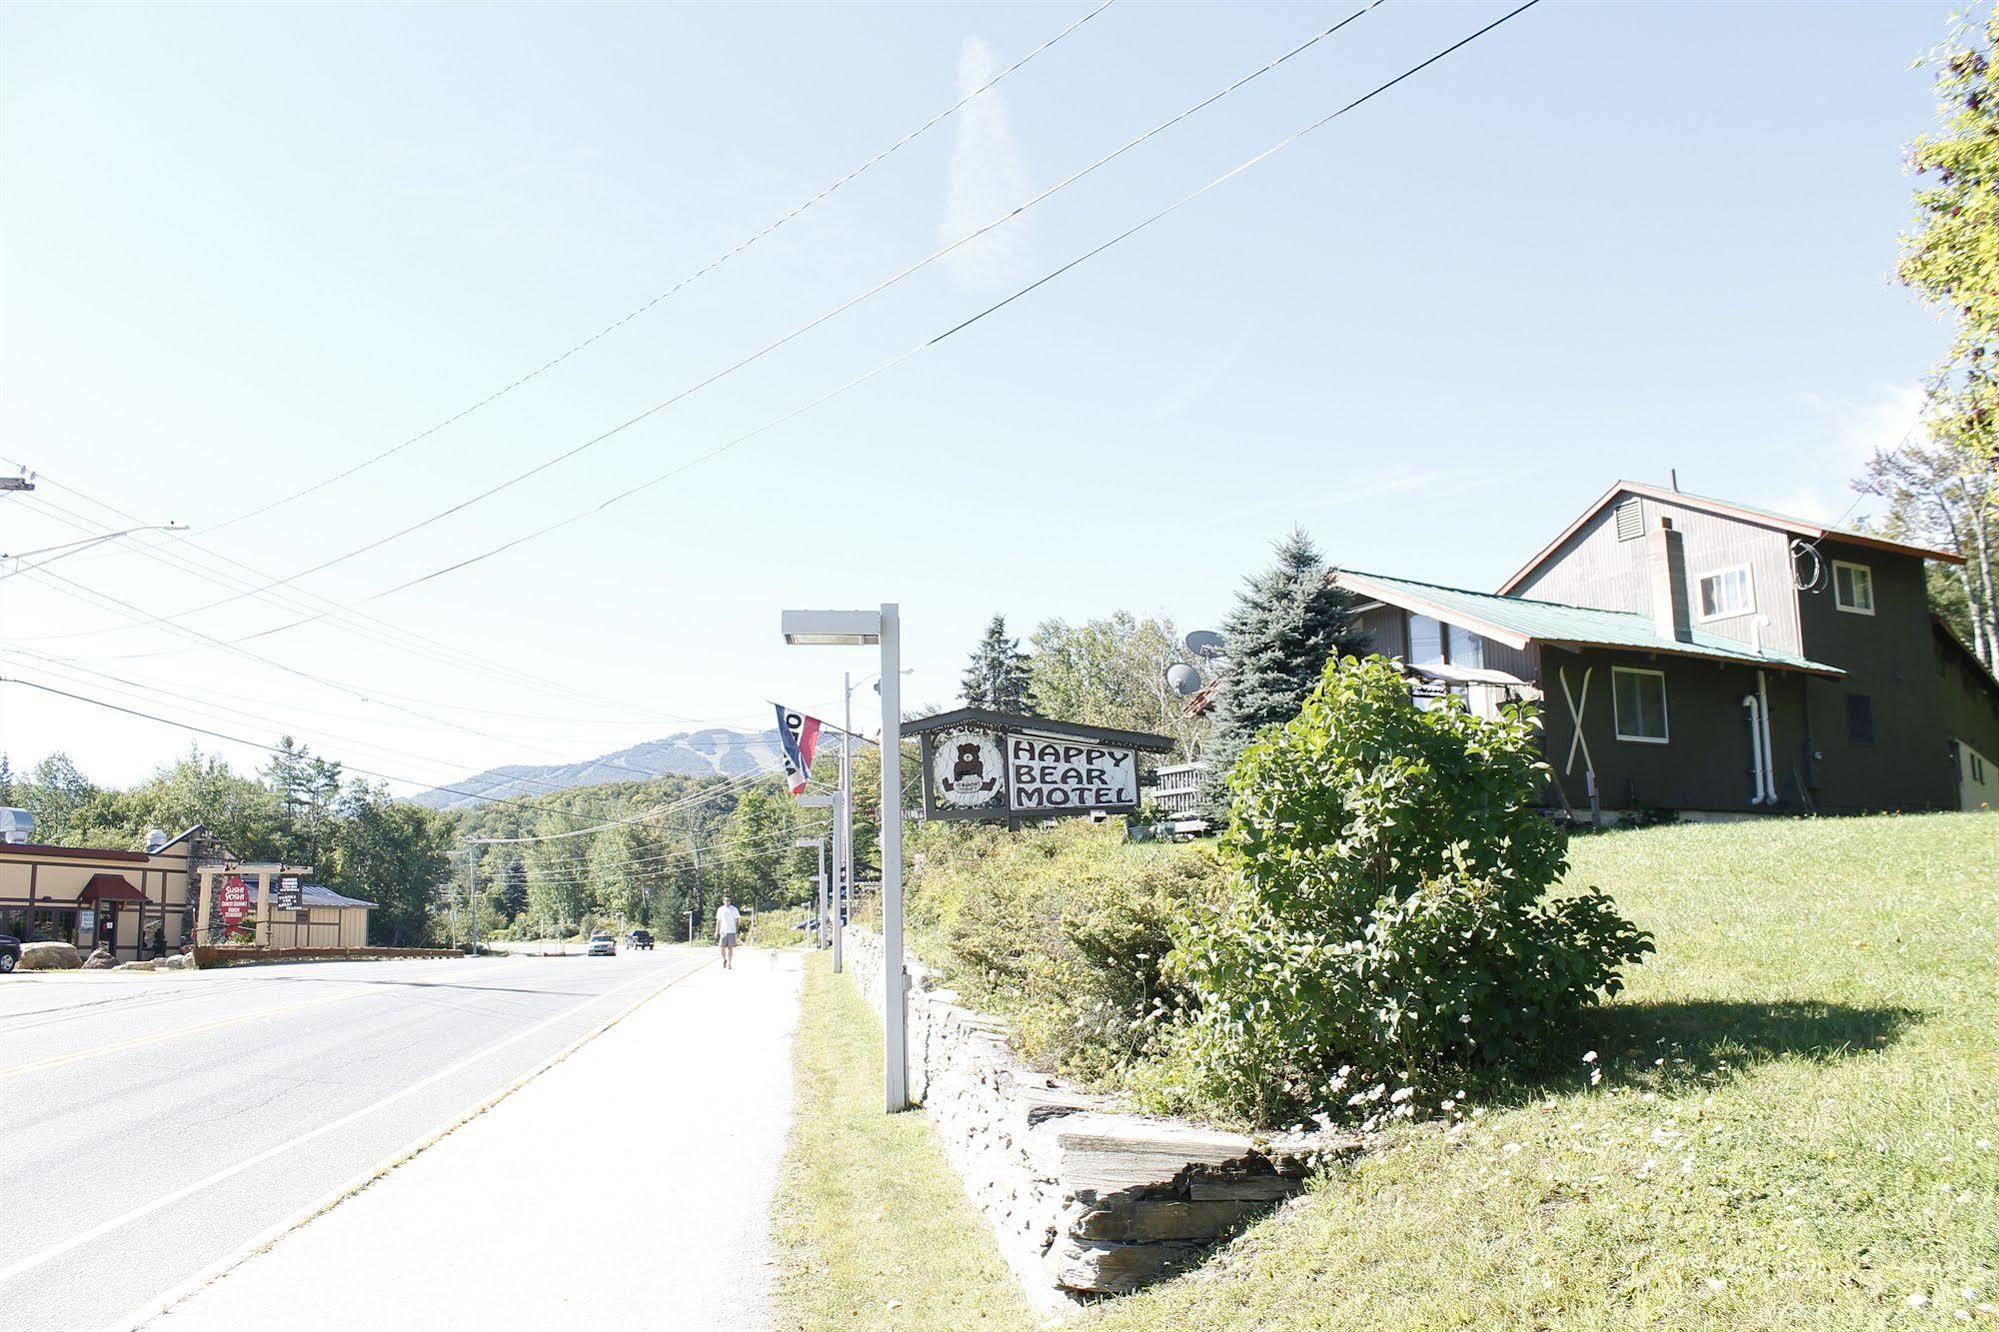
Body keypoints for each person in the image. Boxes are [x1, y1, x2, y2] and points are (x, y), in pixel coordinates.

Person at [716, 897, 741, 970]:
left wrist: (736, 930)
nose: (727, 902)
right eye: (726, 901)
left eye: (729, 901)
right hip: (723, 931)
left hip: (731, 931)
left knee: (730, 948)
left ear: (730, 901)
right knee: (722, 947)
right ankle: (724, 959)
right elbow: (718, 921)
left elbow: (737, 920)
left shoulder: (734, 909)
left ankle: (730, 963)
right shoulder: (720, 909)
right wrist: (716, 931)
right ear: (723, 901)